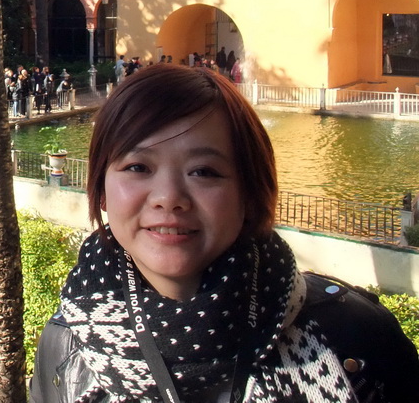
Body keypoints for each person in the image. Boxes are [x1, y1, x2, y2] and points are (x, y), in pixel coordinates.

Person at [30, 64, 419, 402]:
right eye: (137, 167)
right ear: (99, 190)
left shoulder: (354, 337)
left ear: (250, 193)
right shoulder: (66, 344)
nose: (169, 198)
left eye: (204, 171)